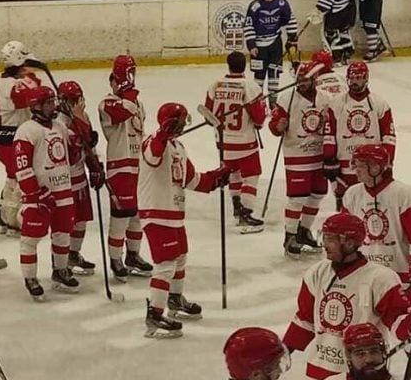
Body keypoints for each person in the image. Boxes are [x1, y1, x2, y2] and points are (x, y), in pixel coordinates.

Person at [282, 212, 411, 380]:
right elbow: (304, 317)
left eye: (331, 239)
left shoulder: (380, 278)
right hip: (318, 369)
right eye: (325, 237)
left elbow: (398, 317)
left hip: (363, 373)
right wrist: (284, 349)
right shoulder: (316, 272)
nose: (324, 244)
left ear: (349, 243)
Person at [341, 144, 411, 380]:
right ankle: (374, 376)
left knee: (409, 330)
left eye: (360, 166)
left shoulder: (402, 193)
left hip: (399, 274)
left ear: (376, 167)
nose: (356, 171)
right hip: (366, 275)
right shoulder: (352, 194)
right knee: (369, 331)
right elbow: (345, 233)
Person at [138, 103, 230, 338]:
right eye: (177, 121)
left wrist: (216, 178)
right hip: (156, 211)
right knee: (166, 263)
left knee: (180, 258)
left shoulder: (179, 147)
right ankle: (155, 313)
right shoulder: (151, 142)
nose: (181, 125)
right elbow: (153, 155)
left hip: (174, 212)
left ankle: (175, 299)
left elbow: (191, 180)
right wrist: (163, 133)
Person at [13, 86, 80, 300]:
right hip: (38, 197)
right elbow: (22, 168)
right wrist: (36, 193)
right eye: (49, 102)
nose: (54, 105)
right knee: (30, 239)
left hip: (63, 191)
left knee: (62, 234)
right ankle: (30, 278)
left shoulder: (60, 126)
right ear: (37, 106)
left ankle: (60, 271)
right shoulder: (26, 130)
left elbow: (71, 151)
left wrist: (84, 137)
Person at [98, 54, 154, 281]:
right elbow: (123, 111)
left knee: (137, 215)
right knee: (121, 215)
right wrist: (127, 87)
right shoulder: (107, 103)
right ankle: (115, 258)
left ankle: (133, 254)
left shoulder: (136, 103)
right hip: (119, 166)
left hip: (138, 165)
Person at [269, 61, 329, 257]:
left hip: (319, 155)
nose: (301, 83)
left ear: (314, 80)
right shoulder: (286, 98)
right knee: (297, 198)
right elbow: (273, 125)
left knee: (318, 194)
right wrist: (278, 125)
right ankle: (290, 235)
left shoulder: (326, 98)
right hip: (297, 154)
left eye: (305, 80)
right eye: (299, 79)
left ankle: (304, 230)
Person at [204, 51, 267, 234]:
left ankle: (236, 208)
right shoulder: (251, 87)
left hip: (223, 142)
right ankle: (245, 214)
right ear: (245, 65)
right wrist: (258, 122)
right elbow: (259, 118)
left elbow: (208, 116)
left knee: (233, 175)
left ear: (228, 64)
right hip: (245, 141)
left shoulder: (214, 85)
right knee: (252, 175)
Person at [322, 61, 396, 211]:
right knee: (346, 207)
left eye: (359, 78)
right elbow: (329, 133)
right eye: (352, 78)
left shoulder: (379, 104)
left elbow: (389, 136)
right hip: (345, 165)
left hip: (372, 165)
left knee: (373, 206)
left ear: (366, 78)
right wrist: (329, 157)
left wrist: (387, 161)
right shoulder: (336, 103)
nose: (355, 82)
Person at [0, 41, 43, 236]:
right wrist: (32, 79)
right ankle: (14, 220)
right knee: (22, 177)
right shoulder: (11, 85)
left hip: (2, 139)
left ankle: (6, 216)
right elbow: (32, 96)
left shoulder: (5, 80)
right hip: (10, 141)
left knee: (13, 177)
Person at [56, 80, 105, 275]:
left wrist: (95, 167)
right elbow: (72, 147)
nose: (78, 102)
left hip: (79, 178)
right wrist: (79, 121)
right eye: (73, 99)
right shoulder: (58, 122)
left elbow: (88, 146)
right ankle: (59, 262)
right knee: (64, 224)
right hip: (64, 181)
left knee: (81, 220)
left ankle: (73, 254)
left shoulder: (82, 116)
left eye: (79, 98)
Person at [244, 0, 299, 109]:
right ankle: (258, 103)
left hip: (275, 44)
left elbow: (290, 20)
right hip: (259, 46)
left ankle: (273, 104)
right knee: (259, 75)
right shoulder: (255, 6)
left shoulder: (282, 4)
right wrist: (252, 45)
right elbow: (248, 26)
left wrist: (292, 39)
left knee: (274, 74)